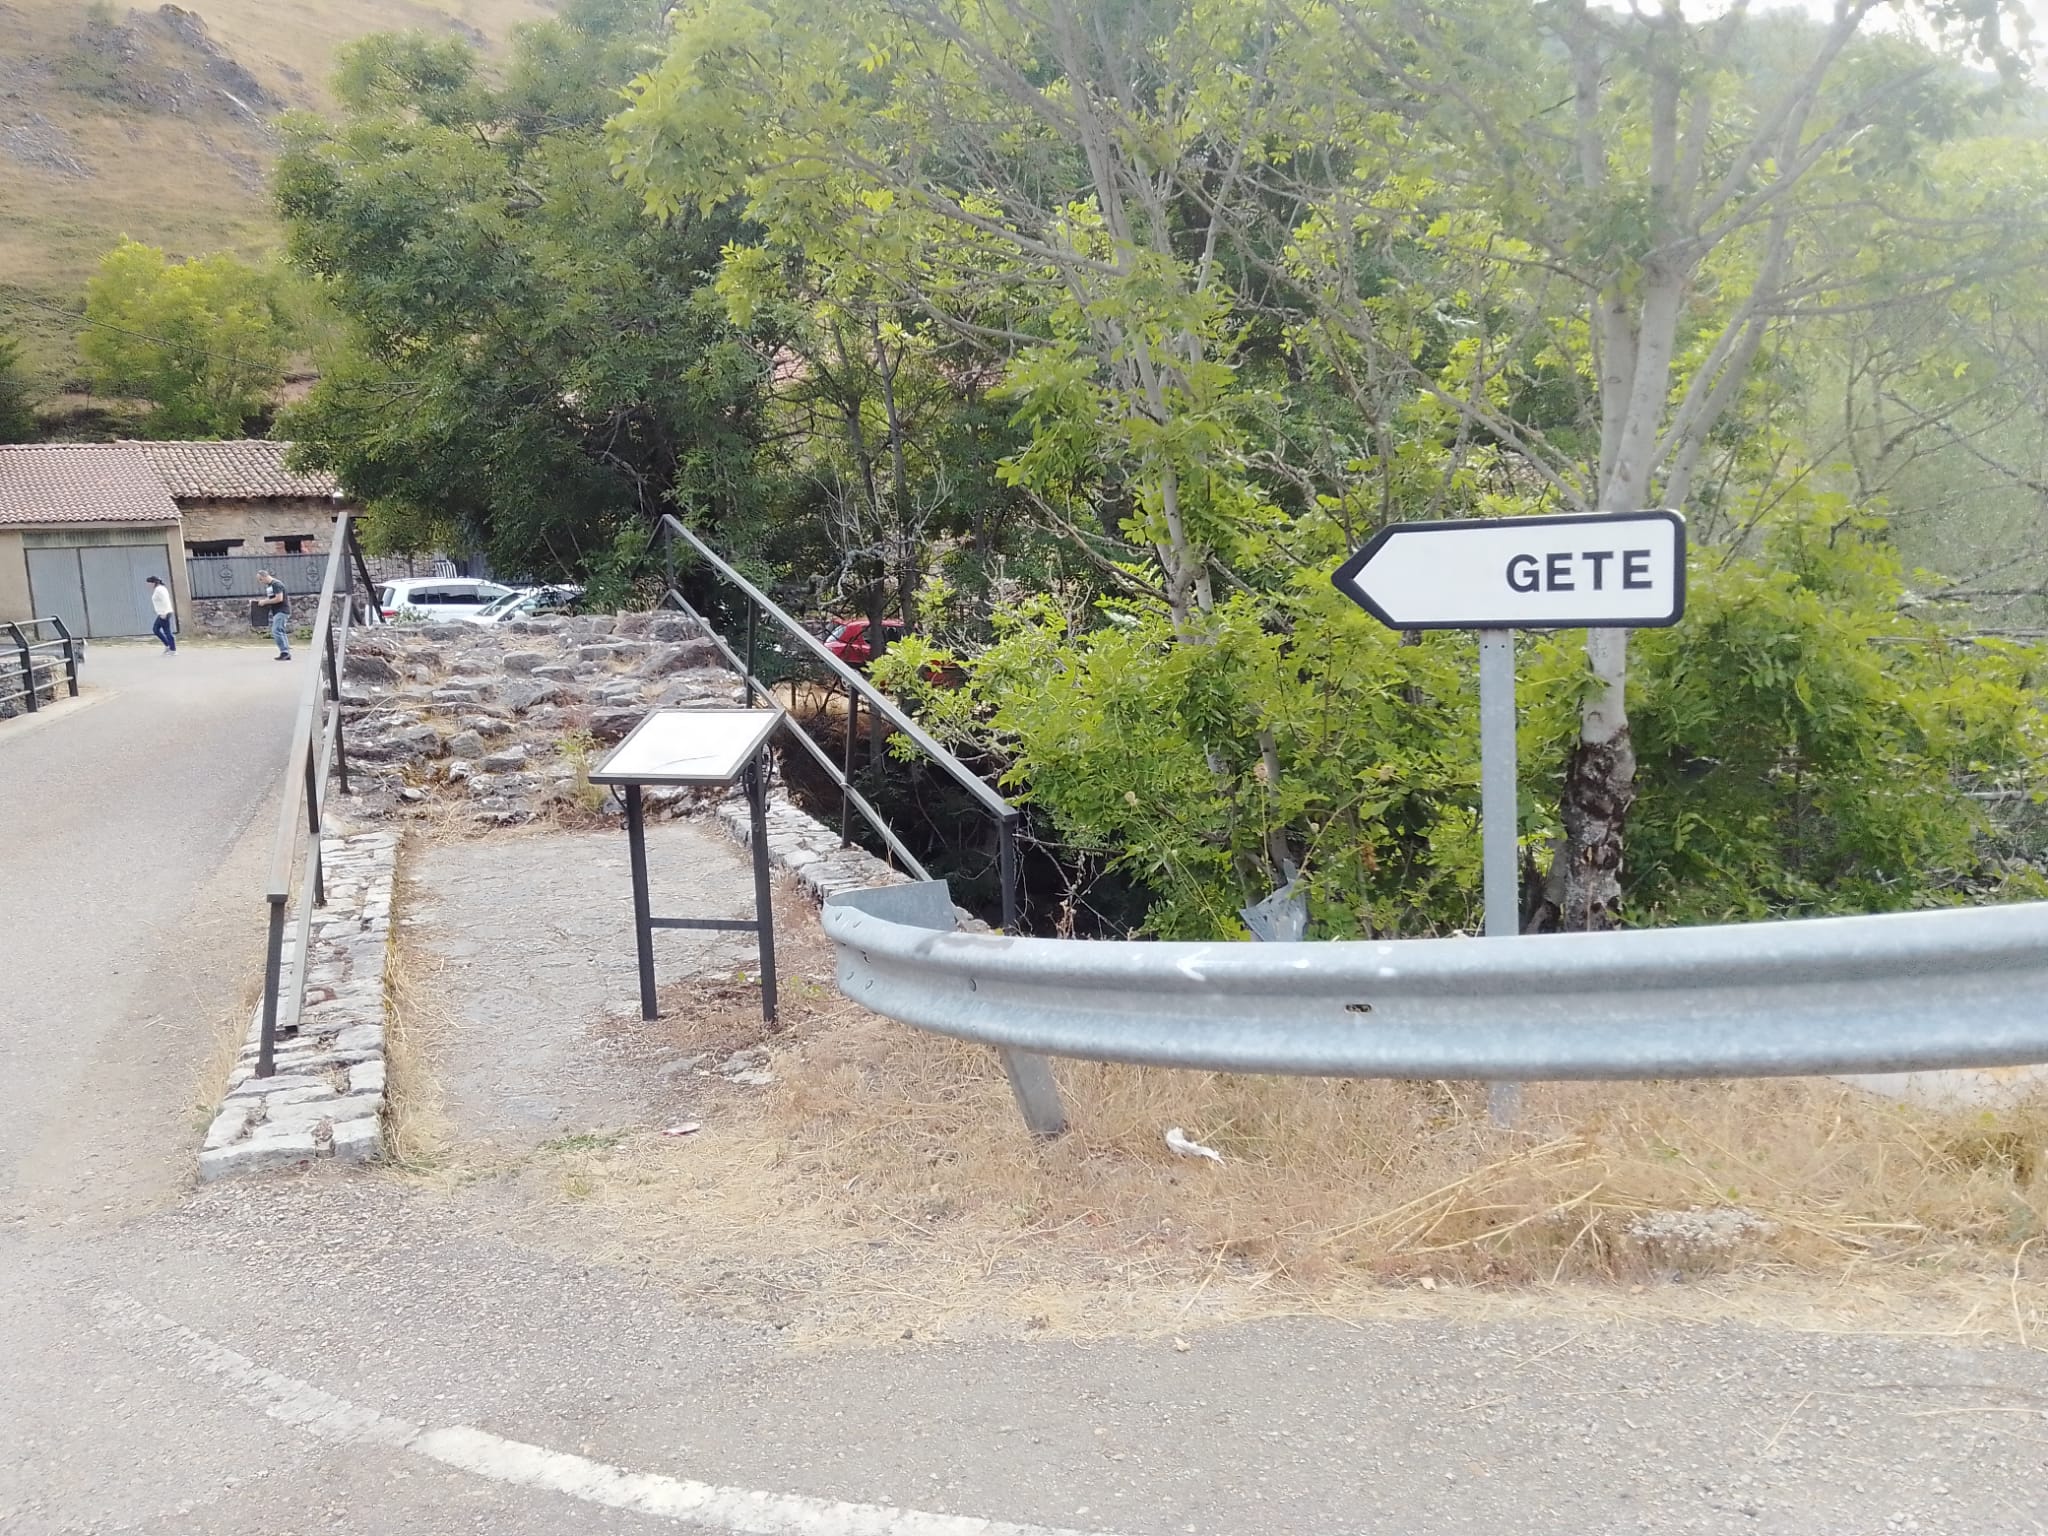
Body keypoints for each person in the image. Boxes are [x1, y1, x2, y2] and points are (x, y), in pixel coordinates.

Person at [256, 569, 291, 660]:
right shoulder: (270, 586)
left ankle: (284, 652)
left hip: (282, 610)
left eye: (260, 579)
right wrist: (263, 601)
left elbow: (279, 598)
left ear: (264, 576)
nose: (261, 582)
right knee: (280, 630)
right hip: (277, 610)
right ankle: (285, 652)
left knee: (276, 630)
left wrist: (265, 602)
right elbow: (271, 598)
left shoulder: (276, 584)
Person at [146, 575, 176, 654]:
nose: (148, 585)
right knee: (156, 629)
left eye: (149, 583)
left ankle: (173, 649)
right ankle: (168, 645)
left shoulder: (159, 589)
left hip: (164, 613)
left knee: (167, 631)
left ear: (153, 583)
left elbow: (165, 601)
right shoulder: (159, 589)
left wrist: (164, 613)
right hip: (162, 612)